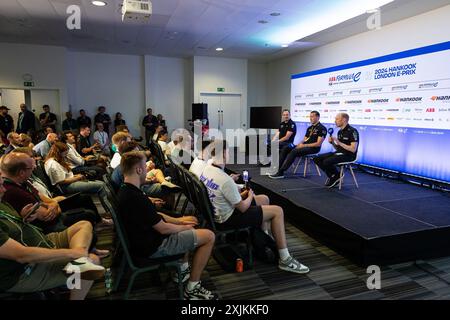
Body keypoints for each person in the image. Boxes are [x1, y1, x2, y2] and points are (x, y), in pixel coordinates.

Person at [117, 151, 218, 300]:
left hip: (146, 240)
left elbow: (156, 217)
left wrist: (181, 221)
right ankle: (192, 288)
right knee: (209, 236)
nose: (147, 169)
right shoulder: (135, 198)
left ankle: (182, 271)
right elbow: (163, 228)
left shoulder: (127, 190)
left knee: (183, 224)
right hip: (153, 247)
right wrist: (185, 227)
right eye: (145, 166)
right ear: (138, 170)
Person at [200, 140, 310, 274]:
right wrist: (250, 195)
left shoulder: (207, 168)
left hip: (218, 212)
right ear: (223, 153)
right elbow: (243, 208)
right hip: (228, 218)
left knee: (264, 199)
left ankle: (262, 240)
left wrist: (237, 189)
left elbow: (222, 189)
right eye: (228, 151)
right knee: (278, 211)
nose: (229, 153)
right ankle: (285, 259)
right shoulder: (225, 180)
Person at [270, 111, 327, 179]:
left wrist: (303, 146)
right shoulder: (310, 128)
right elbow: (304, 139)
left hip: (313, 148)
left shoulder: (322, 128)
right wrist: (298, 145)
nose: (310, 118)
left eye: (312, 116)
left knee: (294, 151)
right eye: (310, 116)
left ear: (317, 117)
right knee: (286, 148)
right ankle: (277, 168)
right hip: (304, 146)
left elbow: (318, 144)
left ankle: (281, 172)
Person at [314, 113, 359, 188]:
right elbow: (338, 148)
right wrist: (332, 143)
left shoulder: (352, 131)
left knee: (326, 161)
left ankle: (335, 176)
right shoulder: (340, 131)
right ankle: (335, 175)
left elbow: (353, 149)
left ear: (344, 120)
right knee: (316, 158)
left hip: (349, 155)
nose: (335, 121)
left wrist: (339, 142)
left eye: (337, 119)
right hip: (339, 153)